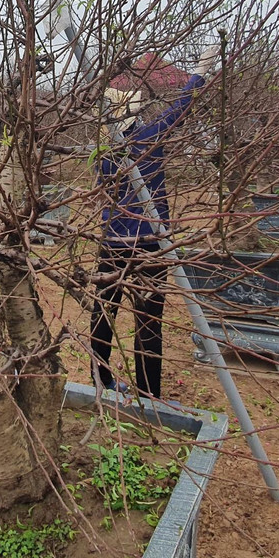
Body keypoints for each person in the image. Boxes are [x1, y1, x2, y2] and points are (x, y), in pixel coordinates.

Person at [90, 47, 220, 401]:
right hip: (150, 244)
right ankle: (148, 393)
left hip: (112, 243)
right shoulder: (149, 137)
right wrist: (203, 68)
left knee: (103, 313)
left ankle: (100, 381)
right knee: (148, 322)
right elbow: (183, 104)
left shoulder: (102, 152)